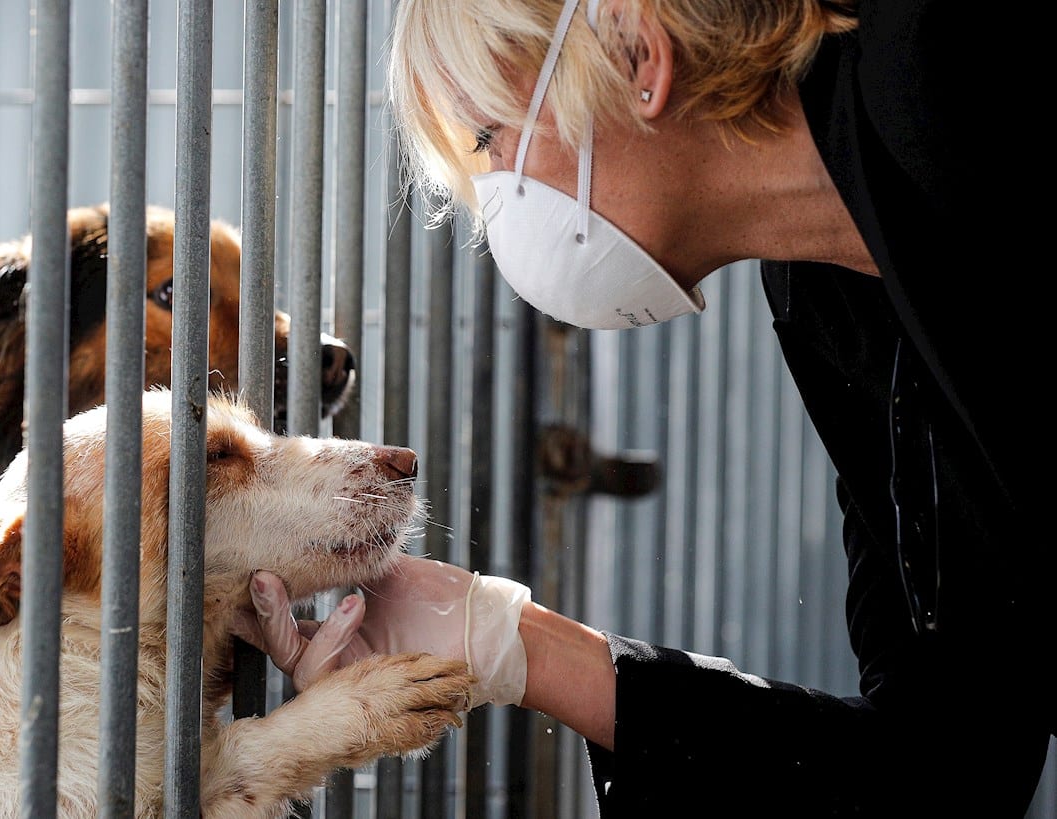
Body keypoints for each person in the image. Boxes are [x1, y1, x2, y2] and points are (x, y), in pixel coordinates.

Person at [231, 0, 1051, 815]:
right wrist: (507, 645)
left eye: (489, 137)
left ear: (636, 54)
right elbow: (944, 767)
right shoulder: (826, 298)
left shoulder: (948, 62)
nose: (495, 202)